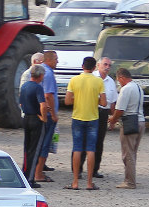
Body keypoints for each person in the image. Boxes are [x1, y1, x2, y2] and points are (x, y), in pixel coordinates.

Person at [64, 55, 106, 190]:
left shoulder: (74, 80)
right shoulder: (98, 81)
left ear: (82, 66)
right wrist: (95, 99)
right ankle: (89, 182)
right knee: (91, 149)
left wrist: (78, 98)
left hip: (77, 116)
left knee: (77, 148)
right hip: (93, 118)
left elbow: (67, 101)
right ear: (94, 68)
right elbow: (104, 102)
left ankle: (75, 181)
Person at [108, 67, 144, 189]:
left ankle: (130, 182)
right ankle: (131, 177)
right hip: (140, 121)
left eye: (119, 80)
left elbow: (120, 109)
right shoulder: (138, 87)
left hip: (130, 122)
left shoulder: (126, 89)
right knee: (133, 152)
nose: (119, 83)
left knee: (127, 153)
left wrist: (113, 119)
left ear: (122, 78)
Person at [19, 65, 48, 186]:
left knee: (27, 148)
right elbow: (43, 104)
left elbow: (21, 103)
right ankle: (30, 178)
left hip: (26, 117)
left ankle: (24, 174)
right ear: (40, 75)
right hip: (36, 119)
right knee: (35, 149)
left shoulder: (25, 86)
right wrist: (44, 117)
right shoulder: (38, 87)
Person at [33, 51, 60, 183]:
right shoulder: (48, 74)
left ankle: (36, 170)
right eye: (56, 59)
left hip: (40, 113)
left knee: (40, 142)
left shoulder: (42, 71)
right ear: (48, 60)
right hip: (48, 115)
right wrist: (54, 115)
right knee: (45, 143)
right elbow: (48, 95)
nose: (57, 62)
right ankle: (38, 173)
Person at [91, 56, 117, 178]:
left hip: (104, 112)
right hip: (91, 110)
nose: (107, 67)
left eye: (109, 65)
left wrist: (112, 119)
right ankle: (78, 169)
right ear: (98, 65)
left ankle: (95, 169)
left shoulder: (111, 82)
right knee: (87, 139)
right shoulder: (91, 77)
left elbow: (113, 102)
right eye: (105, 64)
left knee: (99, 141)